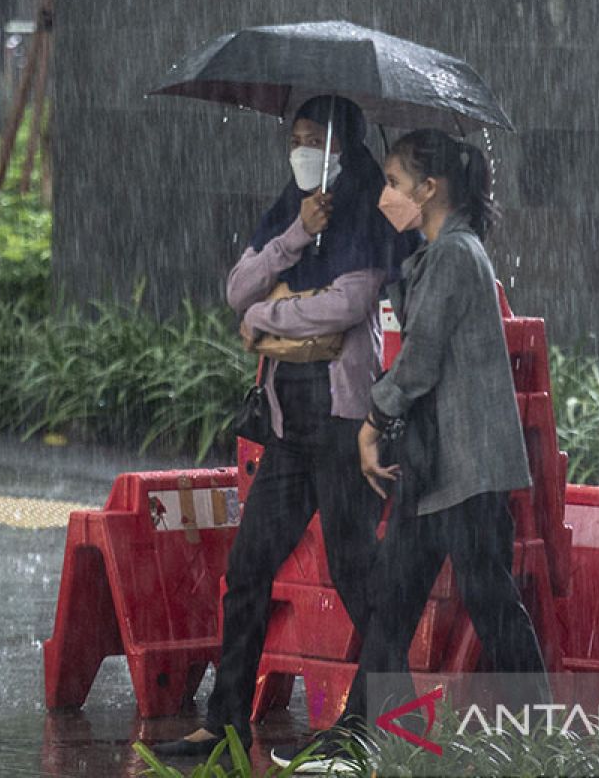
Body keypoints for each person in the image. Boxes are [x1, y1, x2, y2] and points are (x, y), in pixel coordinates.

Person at [271, 128, 550, 773]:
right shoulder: (433, 254)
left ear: (428, 190)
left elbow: (420, 362)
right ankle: (364, 736)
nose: (386, 195)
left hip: (468, 466)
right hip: (430, 466)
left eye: (395, 184)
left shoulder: (456, 255)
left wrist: (371, 420)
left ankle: (541, 737)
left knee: (490, 600)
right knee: (390, 605)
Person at [152, 96, 416, 759]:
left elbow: (348, 304)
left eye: (313, 141)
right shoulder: (293, 205)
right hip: (287, 428)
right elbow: (238, 286)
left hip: (343, 422)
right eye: (294, 138)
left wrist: (270, 318)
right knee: (248, 567)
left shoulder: (364, 207)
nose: (301, 152)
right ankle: (225, 720)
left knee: (356, 571)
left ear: (343, 147)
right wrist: (295, 234)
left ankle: (386, 717)